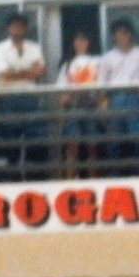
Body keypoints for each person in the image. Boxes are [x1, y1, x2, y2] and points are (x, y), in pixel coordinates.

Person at [96, 19, 139, 173]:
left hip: (136, 99)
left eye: (124, 33)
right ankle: (115, 178)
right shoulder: (108, 57)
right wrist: (102, 104)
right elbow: (101, 84)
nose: (122, 37)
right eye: (118, 34)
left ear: (130, 34)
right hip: (116, 99)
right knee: (114, 142)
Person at [0, 12, 47, 177]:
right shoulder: (1, 48)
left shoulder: (34, 47)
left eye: (21, 26)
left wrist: (16, 72)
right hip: (9, 98)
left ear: (26, 29)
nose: (17, 30)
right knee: (11, 142)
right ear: (8, 29)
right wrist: (27, 72)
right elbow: (3, 75)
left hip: (30, 97)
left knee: (36, 140)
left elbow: (40, 71)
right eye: (14, 26)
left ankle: (35, 179)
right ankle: (13, 180)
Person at [55, 30, 101, 178]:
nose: (80, 43)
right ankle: (70, 180)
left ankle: (93, 179)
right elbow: (61, 93)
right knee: (72, 146)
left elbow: (102, 86)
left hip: (92, 107)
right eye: (77, 40)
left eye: (84, 40)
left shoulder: (98, 61)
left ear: (90, 42)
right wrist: (67, 100)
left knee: (92, 147)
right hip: (73, 108)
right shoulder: (67, 64)